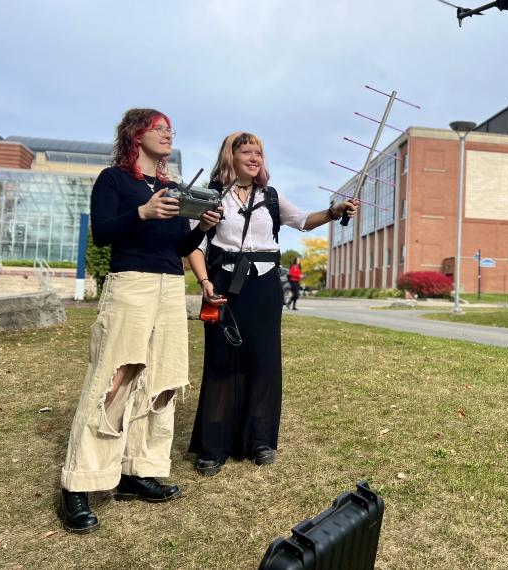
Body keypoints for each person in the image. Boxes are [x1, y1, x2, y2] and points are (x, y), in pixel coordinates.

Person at [57, 108, 222, 534]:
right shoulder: (114, 179)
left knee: (161, 381)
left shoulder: (169, 186)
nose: (168, 134)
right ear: (136, 134)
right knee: (115, 376)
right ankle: (79, 482)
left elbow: (180, 245)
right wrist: (143, 213)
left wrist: (201, 227)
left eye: (171, 129)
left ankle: (137, 470)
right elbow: (103, 232)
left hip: (169, 286)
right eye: (159, 128)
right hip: (131, 283)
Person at [186, 131, 357, 476]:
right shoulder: (212, 197)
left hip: (264, 288)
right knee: (222, 362)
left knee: (264, 362)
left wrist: (333, 210)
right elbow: (195, 244)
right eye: (246, 151)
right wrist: (204, 282)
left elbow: (304, 222)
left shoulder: (272, 197)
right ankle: (212, 446)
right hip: (224, 286)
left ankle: (260, 441)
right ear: (229, 157)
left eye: (259, 153)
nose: (254, 158)